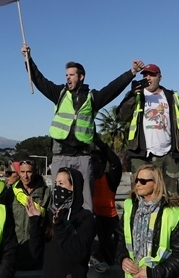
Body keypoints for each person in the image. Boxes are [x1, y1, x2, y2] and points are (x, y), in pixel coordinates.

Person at [21, 43, 144, 210]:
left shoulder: (92, 98)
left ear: (81, 76)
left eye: (71, 75)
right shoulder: (59, 94)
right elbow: (39, 80)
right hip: (60, 155)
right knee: (59, 199)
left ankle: (85, 232)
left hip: (83, 156)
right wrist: (28, 59)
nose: (68, 78)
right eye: (66, 75)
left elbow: (112, 89)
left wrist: (131, 73)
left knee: (86, 199)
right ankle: (61, 230)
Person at [26, 167, 95, 278]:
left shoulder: (85, 218)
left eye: (61, 184)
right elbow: (36, 253)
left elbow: (79, 253)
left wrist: (60, 227)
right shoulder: (50, 214)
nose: (57, 188)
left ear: (74, 187)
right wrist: (35, 222)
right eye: (56, 184)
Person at [117, 164, 179, 278]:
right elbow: (120, 240)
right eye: (136, 180)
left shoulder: (173, 213)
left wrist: (152, 274)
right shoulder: (129, 206)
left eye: (143, 181)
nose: (138, 184)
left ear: (156, 183)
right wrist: (122, 259)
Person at [117, 63, 179, 195]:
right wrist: (133, 95)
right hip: (142, 154)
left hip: (168, 154)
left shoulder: (171, 96)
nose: (148, 78)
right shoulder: (137, 94)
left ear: (160, 77)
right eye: (145, 75)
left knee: (172, 196)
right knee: (141, 195)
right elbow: (122, 116)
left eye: (152, 75)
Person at [89, 137, 122, 273]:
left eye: (94, 161)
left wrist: (100, 143)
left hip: (108, 222)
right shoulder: (85, 180)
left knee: (109, 255)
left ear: (103, 164)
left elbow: (115, 163)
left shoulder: (109, 179)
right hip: (91, 220)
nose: (90, 164)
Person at [11, 159, 50, 271]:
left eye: (29, 172)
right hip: (17, 248)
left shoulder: (46, 193)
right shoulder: (12, 193)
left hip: (38, 249)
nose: (25, 176)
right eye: (22, 172)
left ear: (35, 172)